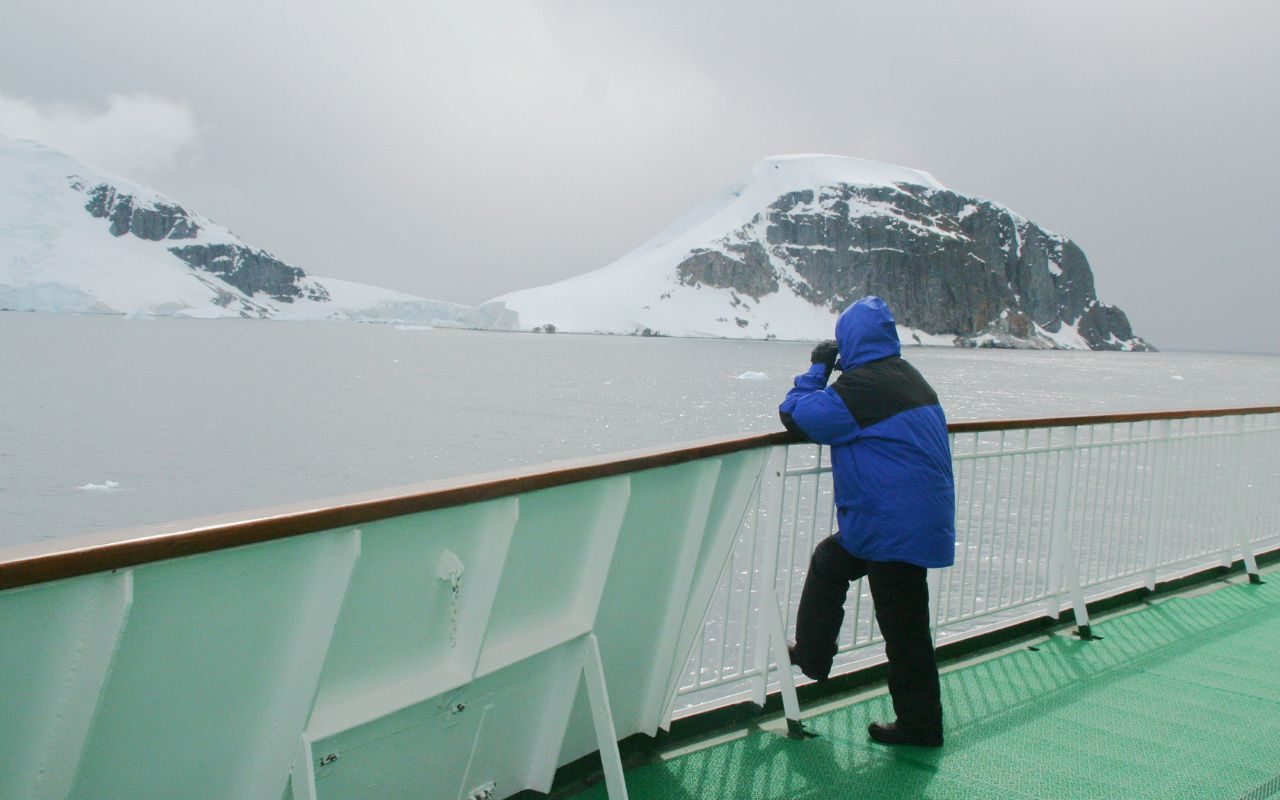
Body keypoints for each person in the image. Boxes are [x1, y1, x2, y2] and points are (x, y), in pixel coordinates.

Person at [779, 296, 955, 747]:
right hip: (912, 517)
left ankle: (917, 724)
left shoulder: (863, 388)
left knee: (902, 627)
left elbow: (797, 417)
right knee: (839, 568)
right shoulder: (906, 377)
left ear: (850, 342)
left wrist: (817, 370)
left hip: (889, 525)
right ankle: (817, 657)